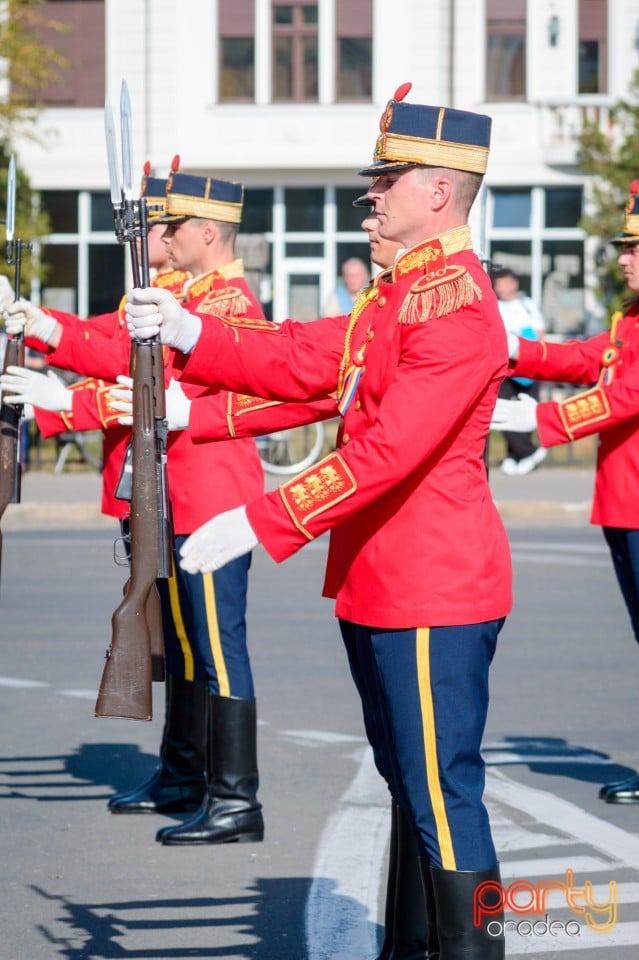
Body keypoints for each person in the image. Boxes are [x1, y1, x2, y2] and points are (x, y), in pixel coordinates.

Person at [124, 83, 512, 958]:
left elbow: (390, 453)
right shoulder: (398, 295)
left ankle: (479, 947)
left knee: (445, 800)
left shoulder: (451, 303)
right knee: (413, 789)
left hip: (432, 588)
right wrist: (190, 330)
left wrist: (262, 520)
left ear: (438, 190)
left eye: (388, 178)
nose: (370, 194)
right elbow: (303, 355)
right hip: (389, 584)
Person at [3, 172, 268, 847]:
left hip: (210, 499)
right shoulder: (185, 297)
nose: (160, 239)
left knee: (216, 649)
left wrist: (65, 400)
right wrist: (37, 324)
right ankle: (184, 775)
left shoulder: (229, 304)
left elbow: (152, 387)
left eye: (170, 226)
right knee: (181, 647)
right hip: (174, 493)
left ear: (207, 233)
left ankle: (236, 798)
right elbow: (114, 349)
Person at [491, 178, 639, 806]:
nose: (624, 257)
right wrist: (513, 351)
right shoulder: (631, 318)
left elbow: (627, 395)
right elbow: (592, 359)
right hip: (625, 501)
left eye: (634, 247)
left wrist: (542, 424)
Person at [491, 267, 547, 476]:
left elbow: (540, 332)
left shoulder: (527, 304)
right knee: (503, 409)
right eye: (499, 284)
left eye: (506, 282)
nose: (503, 287)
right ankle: (519, 453)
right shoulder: (495, 306)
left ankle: (523, 452)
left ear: (515, 283)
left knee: (526, 408)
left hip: (528, 363)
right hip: (506, 364)